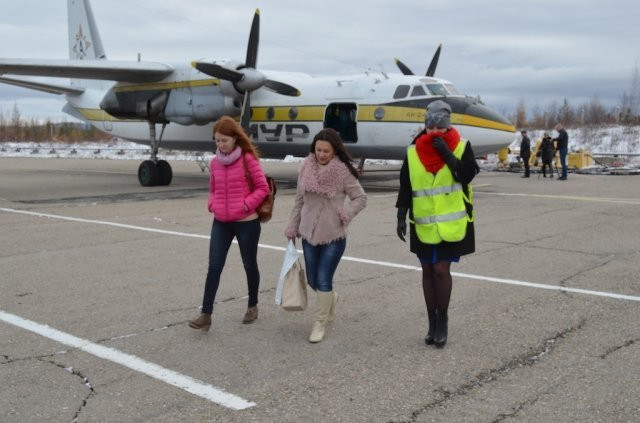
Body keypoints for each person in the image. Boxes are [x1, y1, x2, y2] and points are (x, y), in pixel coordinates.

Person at [395, 100, 479, 348]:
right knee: (427, 271)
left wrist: (446, 153)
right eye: (430, 127)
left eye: (439, 128)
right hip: (423, 223)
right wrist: (401, 214)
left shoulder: (462, 146)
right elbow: (406, 184)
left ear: (447, 126)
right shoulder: (413, 151)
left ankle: (443, 322)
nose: (434, 132)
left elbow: (466, 175)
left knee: (441, 270)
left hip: (451, 224)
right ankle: (431, 323)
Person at [284, 128, 367, 343]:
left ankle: (319, 324)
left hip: (333, 235)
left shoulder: (342, 172)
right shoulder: (305, 168)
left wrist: (346, 213)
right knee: (313, 280)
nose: (321, 154)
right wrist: (292, 226)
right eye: (318, 150)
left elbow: (360, 198)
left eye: (326, 151)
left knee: (323, 279)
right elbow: (299, 201)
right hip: (308, 233)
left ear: (334, 151)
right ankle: (330, 297)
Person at [189, 116, 269, 331]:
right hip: (221, 222)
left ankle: (252, 306)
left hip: (246, 222)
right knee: (214, 267)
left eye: (224, 140)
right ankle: (206, 314)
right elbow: (213, 189)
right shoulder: (215, 163)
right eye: (217, 140)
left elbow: (263, 188)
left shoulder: (247, 159)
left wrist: (245, 205)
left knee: (249, 264)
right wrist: (212, 204)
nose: (220, 144)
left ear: (235, 139)